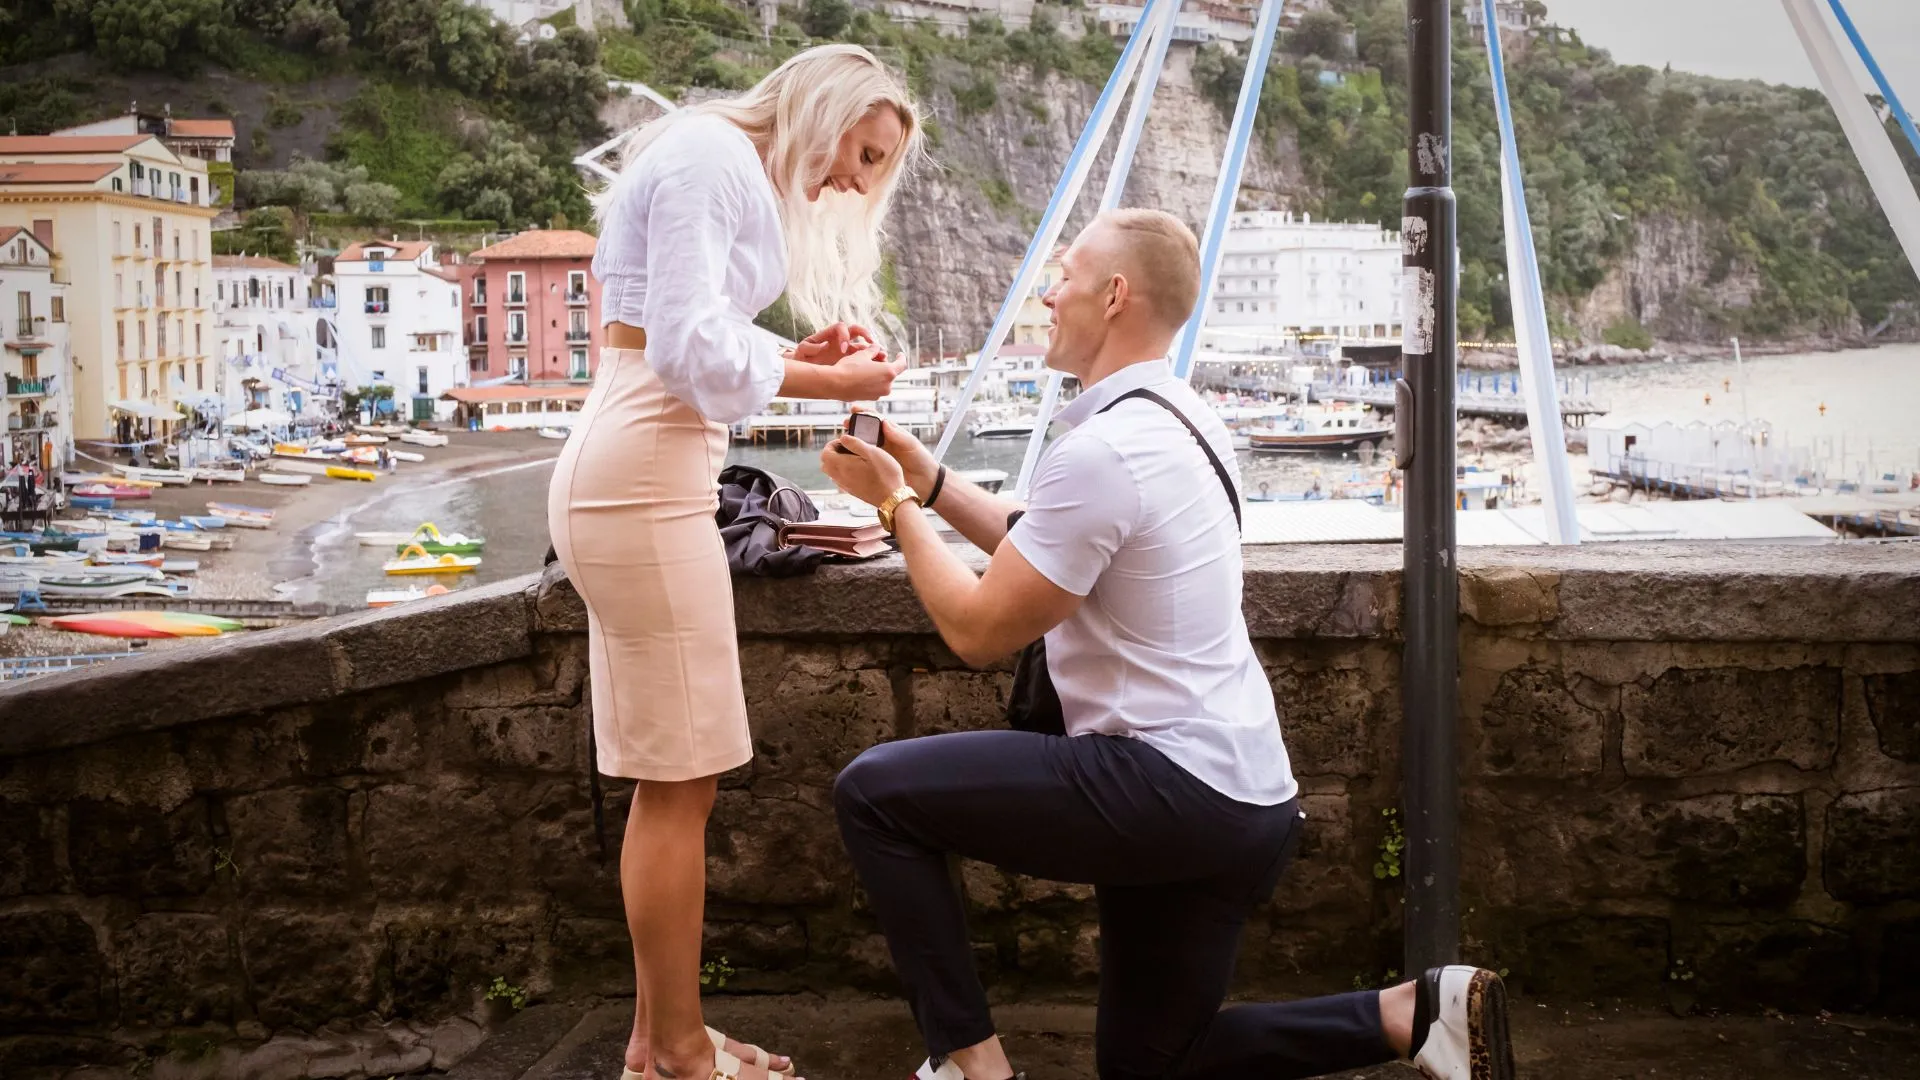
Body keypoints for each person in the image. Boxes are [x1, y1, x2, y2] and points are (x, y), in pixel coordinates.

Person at [818, 209, 1515, 1080]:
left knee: (875, 796)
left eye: (1062, 275)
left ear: (1114, 295)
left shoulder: (1105, 449)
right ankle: (1416, 1014)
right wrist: (928, 477)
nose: (1047, 292)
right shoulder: (1178, 417)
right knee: (1155, 1063)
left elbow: (976, 629)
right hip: (1245, 796)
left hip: (1161, 782)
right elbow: (1036, 543)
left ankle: (969, 1064)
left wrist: (892, 507)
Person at [545, 44, 922, 1080]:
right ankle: (673, 1053)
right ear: (828, 110)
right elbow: (684, 349)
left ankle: (659, 1039)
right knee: (681, 781)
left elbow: (694, 333)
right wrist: (824, 373)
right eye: (863, 152)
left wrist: (809, 353)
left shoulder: (713, 161)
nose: (855, 180)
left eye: (875, 168)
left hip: (645, 467)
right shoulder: (713, 158)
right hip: (646, 473)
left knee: (675, 780)